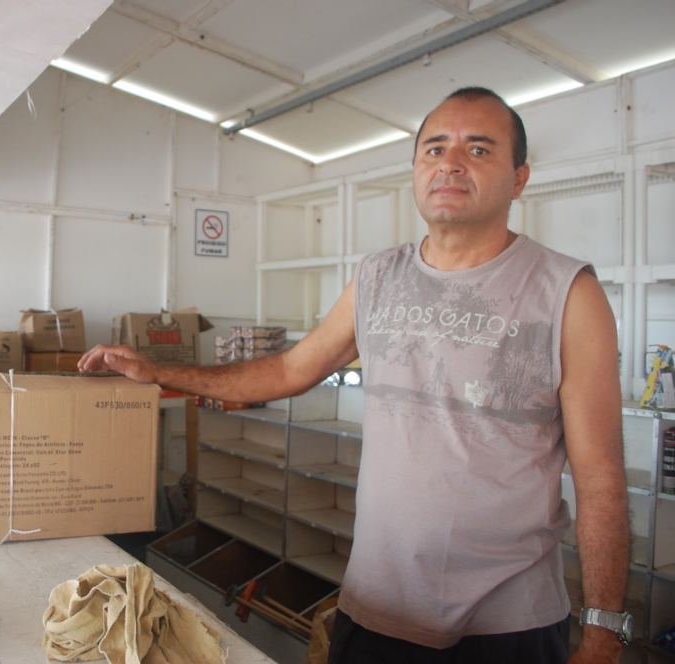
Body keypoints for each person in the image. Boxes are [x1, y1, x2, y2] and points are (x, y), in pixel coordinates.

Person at [79, 87, 630, 664]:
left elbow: (601, 479)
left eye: (478, 149)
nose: (450, 163)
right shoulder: (376, 278)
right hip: (375, 612)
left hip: (508, 627)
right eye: (434, 149)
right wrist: (158, 372)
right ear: (416, 170)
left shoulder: (568, 294)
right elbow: (289, 369)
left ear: (519, 178)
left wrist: (603, 635)